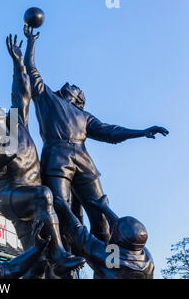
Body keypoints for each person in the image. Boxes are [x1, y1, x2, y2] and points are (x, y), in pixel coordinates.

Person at [23, 24, 169, 244]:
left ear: (79, 101)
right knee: (61, 210)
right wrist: (31, 42)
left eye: (74, 87)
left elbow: (111, 132)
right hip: (56, 157)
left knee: (100, 213)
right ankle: (64, 260)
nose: (69, 85)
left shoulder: (84, 116)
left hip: (84, 161)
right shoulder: (48, 99)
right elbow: (31, 70)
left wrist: (142, 132)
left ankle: (107, 264)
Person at [0, 35, 85, 275]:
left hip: (31, 199)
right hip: (12, 198)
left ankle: (54, 259)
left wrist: (18, 64)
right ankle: (61, 255)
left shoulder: (17, 122)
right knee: (45, 194)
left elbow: (21, 91)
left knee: (38, 261)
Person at [56, 195, 154, 279]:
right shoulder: (147, 259)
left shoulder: (111, 259)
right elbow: (124, 231)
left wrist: (64, 207)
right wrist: (105, 208)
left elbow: (81, 235)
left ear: (118, 240)